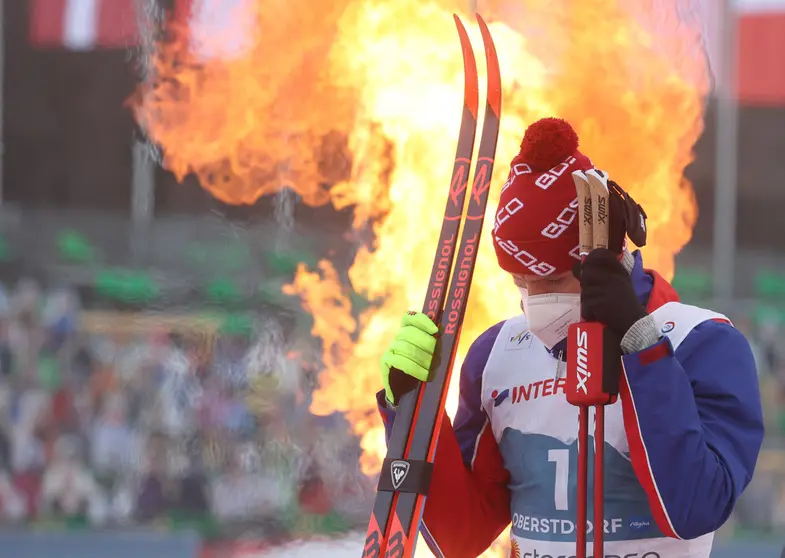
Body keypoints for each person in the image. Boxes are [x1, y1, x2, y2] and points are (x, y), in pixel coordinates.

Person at [376, 118, 764, 558]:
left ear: (609, 256)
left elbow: (696, 507)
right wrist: (410, 413)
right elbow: (461, 538)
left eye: (554, 278)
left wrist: (639, 344)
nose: (535, 298)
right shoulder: (495, 355)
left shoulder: (704, 341)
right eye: (521, 281)